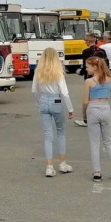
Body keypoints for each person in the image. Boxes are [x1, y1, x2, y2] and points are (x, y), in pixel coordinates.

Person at [32, 48, 74, 177]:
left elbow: (34, 90)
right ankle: (62, 163)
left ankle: (49, 166)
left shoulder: (38, 71)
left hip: (44, 100)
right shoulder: (58, 72)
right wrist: (70, 108)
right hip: (56, 100)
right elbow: (64, 92)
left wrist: (40, 102)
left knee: (48, 135)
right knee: (60, 132)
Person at [82, 56, 111, 182]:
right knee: (108, 141)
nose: (86, 69)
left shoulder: (89, 82)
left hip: (93, 108)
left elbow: (85, 101)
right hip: (105, 108)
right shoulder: (109, 79)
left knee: (94, 143)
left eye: (87, 66)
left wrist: (84, 114)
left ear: (94, 67)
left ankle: (97, 172)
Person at [74, 33, 101, 126]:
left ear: (89, 41)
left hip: (90, 77)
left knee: (87, 99)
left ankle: (86, 119)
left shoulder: (86, 51)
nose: (85, 42)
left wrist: (79, 72)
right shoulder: (101, 51)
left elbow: (85, 66)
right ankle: (98, 117)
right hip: (100, 77)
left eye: (85, 40)